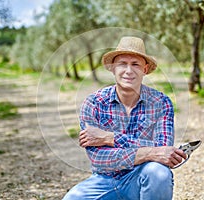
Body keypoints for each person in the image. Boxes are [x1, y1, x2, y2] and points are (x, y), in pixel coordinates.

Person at [63, 36, 187, 200]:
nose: (128, 70)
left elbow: (163, 151)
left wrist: (109, 138)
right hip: (104, 180)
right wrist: (150, 151)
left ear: (145, 69)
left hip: (143, 176)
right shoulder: (94, 103)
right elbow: (99, 159)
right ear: (112, 68)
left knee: (159, 173)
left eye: (135, 64)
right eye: (122, 64)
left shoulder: (161, 103)